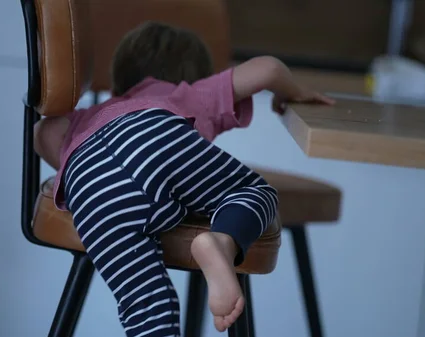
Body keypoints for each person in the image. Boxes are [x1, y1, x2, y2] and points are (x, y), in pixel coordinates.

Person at [34, 21, 334, 337]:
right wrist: (293, 93)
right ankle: (222, 240)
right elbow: (269, 69)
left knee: (146, 307)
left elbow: (43, 131)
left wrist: (77, 167)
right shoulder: (185, 93)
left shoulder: (92, 115)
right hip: (155, 132)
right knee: (254, 190)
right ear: (193, 75)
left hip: (90, 181)